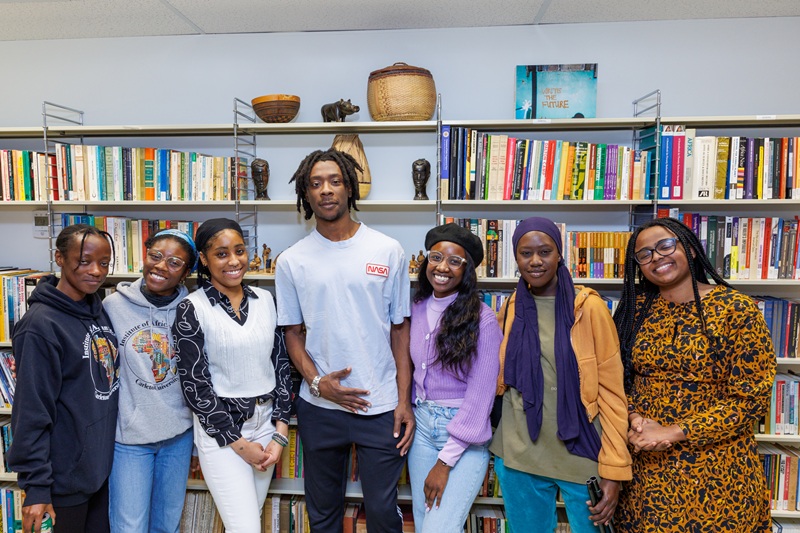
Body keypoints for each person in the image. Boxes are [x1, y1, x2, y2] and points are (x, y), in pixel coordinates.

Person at [275, 148, 414, 533]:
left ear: (350, 187)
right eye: (315, 183)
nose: (326, 190)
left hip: (380, 404)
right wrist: (320, 384)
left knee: (383, 514)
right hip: (320, 408)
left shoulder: (387, 250)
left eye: (335, 181)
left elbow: (400, 329)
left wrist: (403, 400)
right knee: (322, 515)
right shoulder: (291, 260)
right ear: (305, 194)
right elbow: (292, 332)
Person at [612, 217, 775, 532]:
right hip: (649, 473)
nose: (656, 257)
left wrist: (673, 431)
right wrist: (634, 418)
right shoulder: (635, 311)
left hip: (719, 474)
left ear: (691, 249)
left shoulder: (736, 310)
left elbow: (750, 401)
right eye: (644, 254)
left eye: (665, 245)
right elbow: (619, 380)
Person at [490, 217, 631, 533]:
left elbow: (611, 392)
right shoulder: (511, 306)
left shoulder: (589, 307)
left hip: (582, 453)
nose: (536, 261)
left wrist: (614, 469)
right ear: (516, 257)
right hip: (519, 453)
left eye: (545, 251)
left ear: (559, 255)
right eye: (526, 253)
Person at [172, 218, 292, 533]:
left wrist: (280, 432)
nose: (234, 261)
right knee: (246, 528)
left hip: (267, 428)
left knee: (249, 518)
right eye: (222, 254)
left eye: (239, 251)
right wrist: (239, 444)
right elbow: (195, 387)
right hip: (222, 434)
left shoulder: (265, 300)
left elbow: (280, 365)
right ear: (204, 259)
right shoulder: (192, 308)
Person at [9, 223, 119, 533]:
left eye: (104, 262)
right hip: (62, 483)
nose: (96, 271)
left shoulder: (96, 309)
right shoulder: (40, 327)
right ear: (59, 258)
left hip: (97, 475)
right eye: (84, 261)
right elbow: (31, 411)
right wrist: (37, 487)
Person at [407, 223, 502, 533]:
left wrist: (445, 462)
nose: (442, 267)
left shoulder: (483, 319)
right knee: (425, 526)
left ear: (467, 270)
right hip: (422, 427)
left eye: (454, 261)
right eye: (436, 257)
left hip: (463, 437)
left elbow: (481, 396)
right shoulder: (417, 308)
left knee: (439, 529)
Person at [103, 229, 198, 533]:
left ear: (186, 272)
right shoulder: (112, 307)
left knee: (166, 525)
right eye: (155, 256)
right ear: (144, 255)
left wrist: (196, 445)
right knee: (128, 527)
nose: (160, 266)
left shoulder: (194, 311)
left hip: (178, 438)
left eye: (174, 262)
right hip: (130, 440)